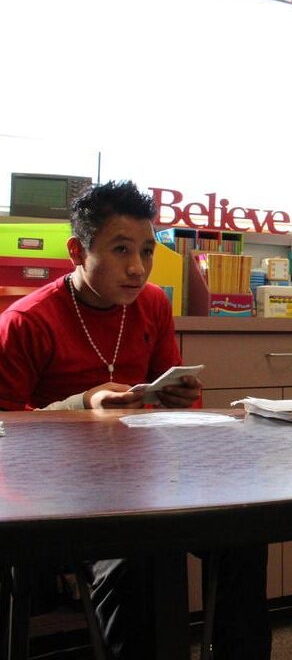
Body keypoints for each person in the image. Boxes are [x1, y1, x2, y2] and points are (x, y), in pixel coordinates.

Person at [0, 180, 271, 660]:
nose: (138, 268)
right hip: (57, 493)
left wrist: (177, 395)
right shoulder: (28, 320)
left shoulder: (151, 305)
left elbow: (172, 398)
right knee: (139, 553)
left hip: (146, 478)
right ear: (76, 252)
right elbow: (5, 429)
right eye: (120, 249)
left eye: (147, 251)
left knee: (243, 531)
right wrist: (82, 404)